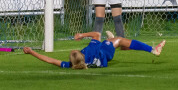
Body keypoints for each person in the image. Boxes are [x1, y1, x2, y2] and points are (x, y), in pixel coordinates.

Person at [23, 31, 165, 69]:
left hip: (102, 60)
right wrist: (81, 35)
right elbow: (96, 34)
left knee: (111, 41)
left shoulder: (72, 65)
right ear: (80, 53)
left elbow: (50, 60)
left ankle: (111, 40)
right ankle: (153, 50)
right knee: (120, 40)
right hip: (104, 53)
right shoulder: (88, 51)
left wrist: (31, 52)